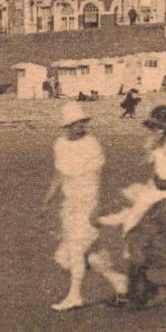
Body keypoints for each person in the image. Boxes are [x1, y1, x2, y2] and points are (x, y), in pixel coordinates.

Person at [101, 105, 166, 312]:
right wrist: (152, 146)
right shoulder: (158, 141)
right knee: (137, 237)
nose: (156, 129)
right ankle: (139, 289)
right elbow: (150, 163)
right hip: (153, 194)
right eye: (154, 126)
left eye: (160, 126)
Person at [42, 102, 127, 311]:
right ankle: (120, 282)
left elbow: (100, 178)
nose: (79, 127)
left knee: (77, 249)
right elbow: (59, 174)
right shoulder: (60, 144)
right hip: (70, 205)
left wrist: (97, 207)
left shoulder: (92, 144)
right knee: (87, 254)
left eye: (81, 123)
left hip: (89, 203)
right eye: (74, 123)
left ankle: (75, 295)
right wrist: (47, 199)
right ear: (67, 126)